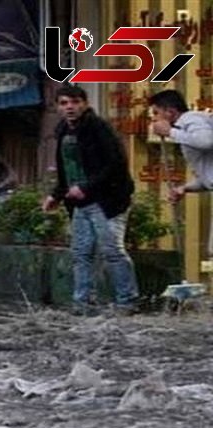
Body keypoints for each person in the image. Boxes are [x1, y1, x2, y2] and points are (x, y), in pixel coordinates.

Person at [42, 84, 139, 315]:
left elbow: (115, 163)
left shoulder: (98, 128)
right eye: (64, 103)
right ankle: (82, 302)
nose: (70, 108)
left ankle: (128, 301)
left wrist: (87, 186)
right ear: (58, 107)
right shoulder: (63, 131)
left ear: (85, 104)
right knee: (81, 253)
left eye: (75, 102)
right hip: (80, 203)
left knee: (112, 251)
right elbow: (67, 168)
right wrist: (56, 195)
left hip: (106, 201)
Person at [147, 89, 213, 205]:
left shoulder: (191, 119)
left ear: (170, 112)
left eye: (156, 113)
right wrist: (184, 188)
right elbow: (208, 177)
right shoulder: (184, 129)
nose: (154, 119)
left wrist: (170, 132)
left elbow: (206, 141)